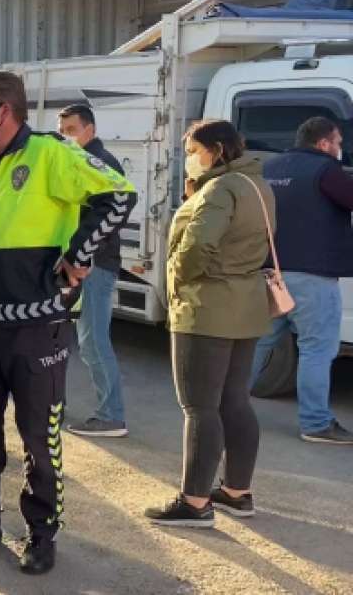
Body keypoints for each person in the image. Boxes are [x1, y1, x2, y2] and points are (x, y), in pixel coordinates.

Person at [0, 71, 135, 575]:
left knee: (38, 437)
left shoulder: (51, 153)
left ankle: (41, 533)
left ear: (5, 110)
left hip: (35, 327)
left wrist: (79, 252)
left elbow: (118, 194)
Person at [144, 120, 271, 526]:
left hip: (206, 308)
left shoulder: (219, 190)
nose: (189, 159)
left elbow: (198, 245)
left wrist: (177, 278)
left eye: (194, 150)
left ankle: (195, 502)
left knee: (200, 407)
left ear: (216, 149)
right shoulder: (256, 185)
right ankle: (237, 492)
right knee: (234, 400)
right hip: (246, 305)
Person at [250, 117, 353, 444]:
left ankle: (225, 407)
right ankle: (316, 423)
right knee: (316, 349)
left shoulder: (271, 168)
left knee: (255, 344)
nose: (339, 149)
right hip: (312, 277)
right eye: (337, 143)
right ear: (323, 143)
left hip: (270, 274)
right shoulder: (326, 171)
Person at [57, 104, 129, 438]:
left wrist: (81, 255)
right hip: (81, 264)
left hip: (93, 265)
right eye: (62, 130)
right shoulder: (78, 161)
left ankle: (111, 415)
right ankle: (58, 404)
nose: (65, 136)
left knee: (93, 341)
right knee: (72, 338)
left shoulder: (100, 164)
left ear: (91, 130)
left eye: (72, 130)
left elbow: (115, 209)